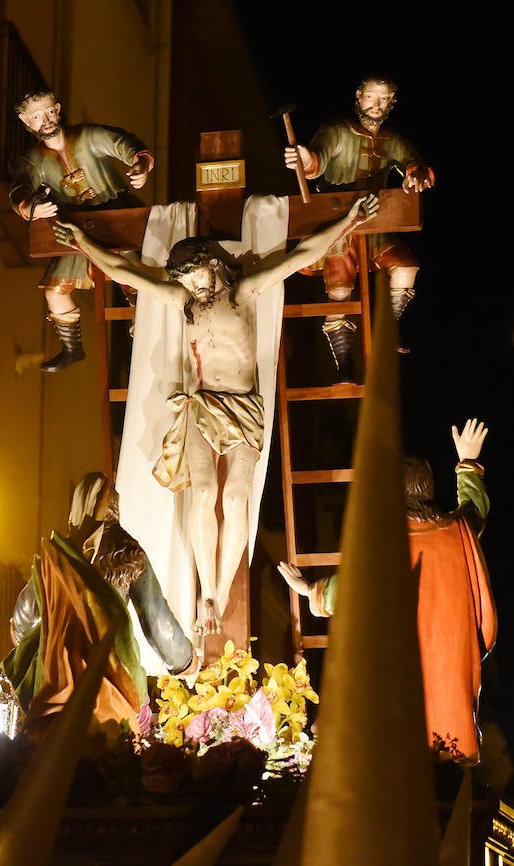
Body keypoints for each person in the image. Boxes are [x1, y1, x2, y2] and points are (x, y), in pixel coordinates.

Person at [52, 193, 381, 636]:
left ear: (212, 264)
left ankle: (222, 590)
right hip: (203, 404)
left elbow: (303, 253)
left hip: (243, 406)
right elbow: (123, 271)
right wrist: (81, 245)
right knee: (204, 492)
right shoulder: (182, 301)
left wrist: (349, 220)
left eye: (198, 278)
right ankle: (208, 589)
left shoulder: (244, 291)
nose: (195, 289)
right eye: (186, 282)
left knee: (235, 497)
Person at [278, 418, 497, 761]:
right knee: (445, 748)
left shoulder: (387, 540)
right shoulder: (457, 532)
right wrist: (467, 463)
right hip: (448, 660)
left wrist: (310, 590)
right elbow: (476, 511)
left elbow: (356, 589)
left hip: (398, 668)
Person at [2, 474, 179, 732]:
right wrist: (185, 661)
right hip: (112, 673)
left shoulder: (58, 554)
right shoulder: (129, 553)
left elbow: (24, 618)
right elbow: (157, 622)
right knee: (114, 746)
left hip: (58, 677)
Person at [283, 75, 435, 377]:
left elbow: (413, 162)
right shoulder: (337, 131)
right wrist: (305, 158)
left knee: (405, 266)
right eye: (370, 97)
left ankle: (388, 331)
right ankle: (344, 362)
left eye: (383, 98)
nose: (376, 104)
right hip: (339, 226)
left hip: (375, 223)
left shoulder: (393, 140)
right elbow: (318, 161)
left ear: (391, 101)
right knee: (340, 289)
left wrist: (416, 174)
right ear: (359, 97)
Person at [9, 88, 155, 372]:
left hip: (117, 218)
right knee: (54, 290)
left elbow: (125, 145)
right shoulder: (33, 161)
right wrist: (30, 207)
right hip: (76, 230)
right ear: (26, 122)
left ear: (58, 109)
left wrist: (141, 165)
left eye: (49, 112)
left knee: (137, 279)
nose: (45, 120)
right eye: (37, 116)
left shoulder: (89, 136)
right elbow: (19, 190)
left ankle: (149, 333)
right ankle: (71, 348)